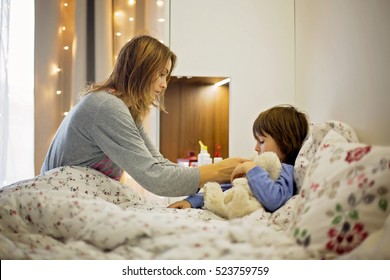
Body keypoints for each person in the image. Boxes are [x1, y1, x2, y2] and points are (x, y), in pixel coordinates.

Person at [41, 35, 246, 197]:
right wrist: (218, 171)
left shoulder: (123, 108)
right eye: (161, 74)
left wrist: (213, 172)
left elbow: (158, 164)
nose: (165, 84)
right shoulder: (106, 106)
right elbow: (155, 178)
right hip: (59, 197)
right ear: (140, 70)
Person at [168, 105, 309, 212]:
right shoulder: (259, 168)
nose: (256, 148)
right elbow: (226, 186)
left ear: (285, 141)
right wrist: (192, 201)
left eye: (261, 141)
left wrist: (251, 169)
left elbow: (274, 200)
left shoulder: (286, 171)